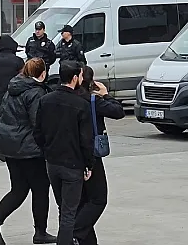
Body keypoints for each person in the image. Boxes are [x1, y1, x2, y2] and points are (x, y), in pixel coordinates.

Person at [0, 59, 56, 245]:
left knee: (19, 188)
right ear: (42, 74)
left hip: (9, 145)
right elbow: (38, 122)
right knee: (40, 189)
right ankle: (40, 232)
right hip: (29, 148)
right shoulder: (36, 92)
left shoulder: (12, 88)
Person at [35, 61, 95, 245]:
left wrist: (47, 149)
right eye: (81, 76)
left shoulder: (46, 100)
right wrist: (89, 164)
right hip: (73, 164)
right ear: (75, 78)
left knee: (63, 207)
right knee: (69, 212)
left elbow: (37, 132)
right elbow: (86, 139)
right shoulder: (81, 104)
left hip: (52, 162)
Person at [73, 66, 124, 245]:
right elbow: (118, 112)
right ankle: (73, 233)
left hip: (68, 155)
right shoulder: (93, 101)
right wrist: (106, 94)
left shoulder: (66, 98)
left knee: (82, 201)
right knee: (98, 199)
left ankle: (85, 239)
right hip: (90, 155)